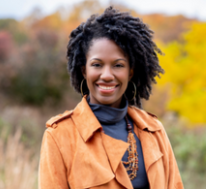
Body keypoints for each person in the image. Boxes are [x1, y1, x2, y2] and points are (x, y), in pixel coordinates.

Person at [39, 6, 184, 189]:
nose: (107, 75)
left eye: (118, 65)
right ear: (84, 70)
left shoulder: (154, 130)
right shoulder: (59, 136)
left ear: (130, 72)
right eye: (97, 64)